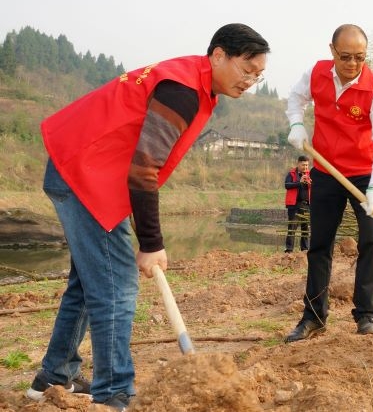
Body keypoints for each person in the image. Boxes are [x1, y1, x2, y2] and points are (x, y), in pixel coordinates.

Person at [28, 24, 269, 411]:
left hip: (88, 172)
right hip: (82, 173)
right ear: (219, 55)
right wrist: (151, 244)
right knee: (116, 286)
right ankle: (114, 393)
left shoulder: (193, 80)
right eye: (246, 69)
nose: (251, 81)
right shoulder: (183, 90)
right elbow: (144, 170)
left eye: (259, 74)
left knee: (90, 282)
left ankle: (55, 375)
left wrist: (147, 238)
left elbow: (141, 166)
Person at [284, 24, 373, 342]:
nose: (352, 64)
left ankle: (366, 316)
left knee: (372, 242)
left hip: (365, 173)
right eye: (345, 56)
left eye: (359, 57)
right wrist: (296, 124)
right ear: (332, 51)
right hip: (326, 170)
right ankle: (314, 317)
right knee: (319, 244)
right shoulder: (317, 73)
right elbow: (295, 98)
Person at [284, 155, 312, 252]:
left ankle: (304, 249)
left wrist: (311, 183)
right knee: (292, 227)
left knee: (305, 228)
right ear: (298, 163)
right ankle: (289, 249)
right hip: (294, 205)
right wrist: (299, 182)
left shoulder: (310, 174)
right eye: (303, 165)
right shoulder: (291, 174)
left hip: (307, 205)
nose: (305, 167)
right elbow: (287, 185)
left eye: (307, 165)